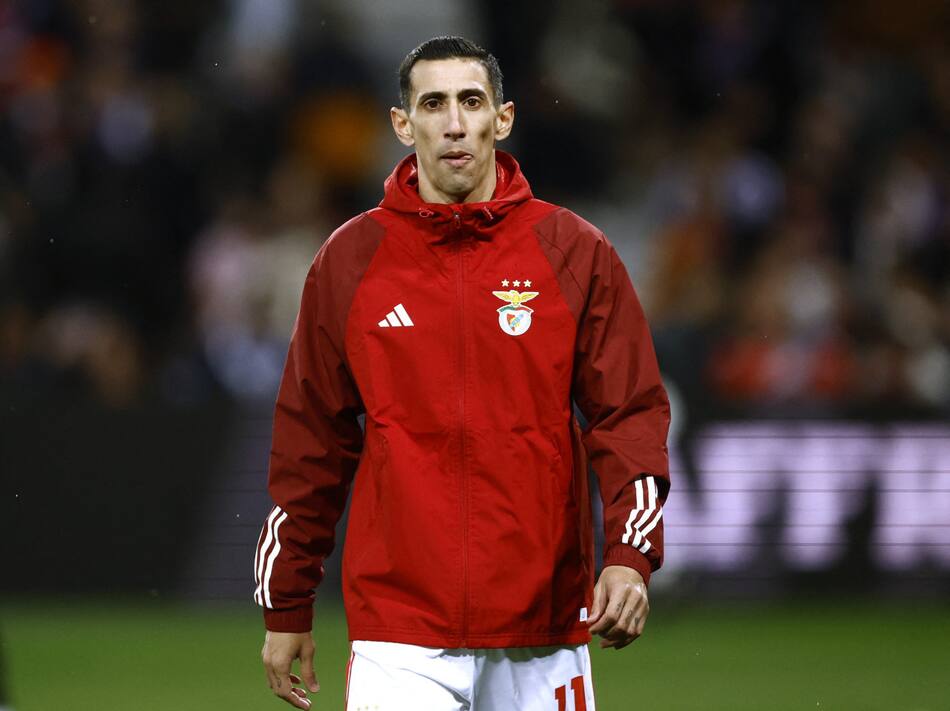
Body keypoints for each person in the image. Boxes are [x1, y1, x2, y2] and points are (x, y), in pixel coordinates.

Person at [254, 36, 670, 710]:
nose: (454, 123)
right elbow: (311, 440)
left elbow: (630, 414)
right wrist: (288, 600)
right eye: (434, 103)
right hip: (401, 634)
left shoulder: (573, 252)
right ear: (402, 123)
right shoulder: (351, 260)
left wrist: (629, 552)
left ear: (501, 118)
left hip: (543, 626)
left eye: (471, 102)